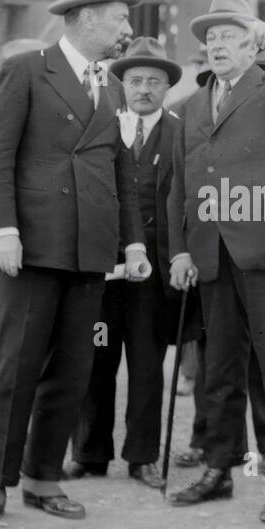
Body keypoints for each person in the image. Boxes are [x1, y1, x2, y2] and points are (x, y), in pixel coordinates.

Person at [0, 0, 147, 529]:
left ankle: (44, 477)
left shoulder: (113, 86)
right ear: (86, 16)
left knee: (73, 369)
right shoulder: (25, 71)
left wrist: (133, 243)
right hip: (33, 247)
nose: (125, 28)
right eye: (118, 17)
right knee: (16, 367)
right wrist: (4, 229)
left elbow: (121, 173)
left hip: (90, 251)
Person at [167, 0, 265, 523]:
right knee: (220, 368)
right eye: (209, 38)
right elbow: (181, 186)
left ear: (252, 42)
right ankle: (219, 468)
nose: (216, 45)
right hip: (213, 254)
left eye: (229, 35)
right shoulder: (191, 105)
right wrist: (182, 248)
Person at [68, 37, 190, 489]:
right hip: (102, 270)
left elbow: (189, 201)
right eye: (135, 80)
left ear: (167, 88)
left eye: (154, 82)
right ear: (121, 85)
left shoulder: (181, 135)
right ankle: (89, 452)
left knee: (145, 364)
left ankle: (142, 457)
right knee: (95, 359)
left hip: (152, 275)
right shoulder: (99, 128)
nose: (143, 89)